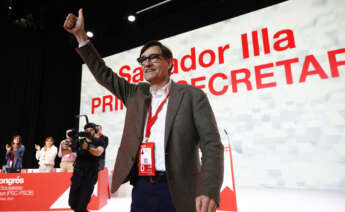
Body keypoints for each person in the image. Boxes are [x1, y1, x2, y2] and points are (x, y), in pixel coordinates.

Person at [64, 9, 224, 212]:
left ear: (170, 63)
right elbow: (103, 73)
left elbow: (212, 146)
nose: (147, 63)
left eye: (154, 57)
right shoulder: (135, 93)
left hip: (181, 191)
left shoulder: (192, 96)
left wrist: (209, 188)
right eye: (142, 60)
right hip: (143, 188)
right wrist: (81, 36)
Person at [68, 123, 106, 212]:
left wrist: (88, 148)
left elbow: (98, 152)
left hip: (91, 173)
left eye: (91, 129)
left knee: (83, 199)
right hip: (78, 172)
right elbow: (68, 151)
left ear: (94, 131)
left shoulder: (99, 141)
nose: (88, 131)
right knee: (72, 200)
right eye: (86, 129)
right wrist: (72, 140)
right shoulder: (80, 141)